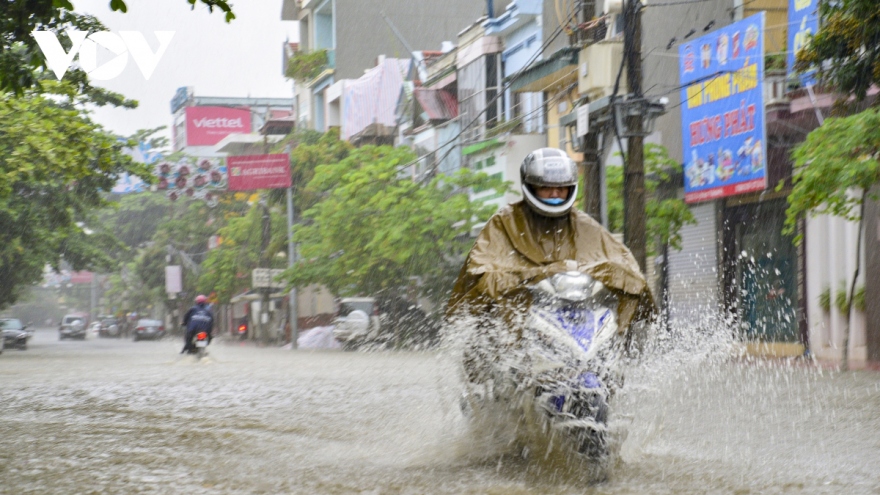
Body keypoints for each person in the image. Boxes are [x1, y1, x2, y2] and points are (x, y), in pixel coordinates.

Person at [446, 147, 655, 344]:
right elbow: (482, 269)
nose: (555, 194)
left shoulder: (583, 224)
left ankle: (621, 351)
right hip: (527, 315)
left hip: (579, 312)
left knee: (631, 284)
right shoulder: (504, 222)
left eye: (561, 188)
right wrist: (521, 278)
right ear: (531, 187)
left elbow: (621, 263)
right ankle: (508, 360)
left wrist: (603, 275)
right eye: (546, 188)